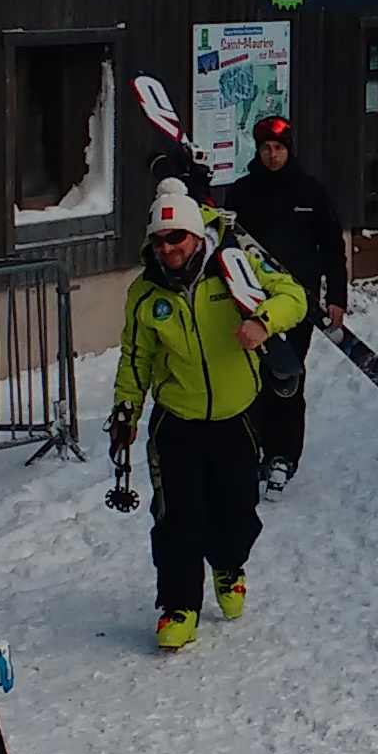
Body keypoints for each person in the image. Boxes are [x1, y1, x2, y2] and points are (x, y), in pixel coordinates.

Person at [110, 173, 306, 650]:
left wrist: (263, 323)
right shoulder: (146, 292)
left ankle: (228, 565)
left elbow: (294, 296)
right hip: (176, 420)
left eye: (176, 237)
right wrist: (125, 411)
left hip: (236, 417)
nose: (168, 248)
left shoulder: (235, 267)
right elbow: (136, 356)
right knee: (178, 518)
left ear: (196, 235)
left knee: (237, 512)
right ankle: (179, 606)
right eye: (159, 240)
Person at [218, 109, 349, 490]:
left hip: (297, 304)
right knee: (250, 379)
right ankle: (251, 450)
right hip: (250, 301)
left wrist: (336, 296)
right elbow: (226, 245)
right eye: (265, 148)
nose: (272, 155)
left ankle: (282, 455)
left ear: (289, 150)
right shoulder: (242, 193)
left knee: (286, 377)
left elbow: (332, 246)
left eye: (278, 148)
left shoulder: (310, 192)